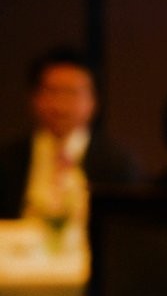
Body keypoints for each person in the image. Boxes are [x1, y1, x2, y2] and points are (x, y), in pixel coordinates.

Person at [0, 46, 139, 221]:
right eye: (51, 91)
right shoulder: (7, 159)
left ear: (93, 101)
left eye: (72, 93)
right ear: (34, 98)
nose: (60, 105)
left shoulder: (118, 165)